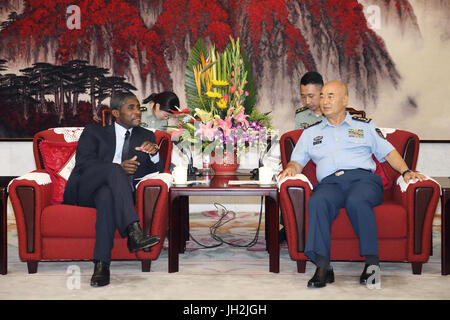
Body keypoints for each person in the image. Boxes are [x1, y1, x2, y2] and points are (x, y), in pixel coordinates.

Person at [279, 80, 426, 288]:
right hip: (330, 183)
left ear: (345, 99)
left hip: (363, 180)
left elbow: (389, 152)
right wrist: (292, 168)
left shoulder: (364, 127)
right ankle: (323, 267)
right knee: (317, 202)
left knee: (356, 201)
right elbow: (297, 161)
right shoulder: (311, 133)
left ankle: (372, 265)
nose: (324, 101)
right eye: (322, 96)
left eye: (331, 96)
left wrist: (406, 171)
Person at [63, 91, 163, 287]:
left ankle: (101, 265)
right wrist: (117, 168)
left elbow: (156, 174)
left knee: (107, 197)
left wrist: (154, 155)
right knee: (114, 170)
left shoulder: (146, 136)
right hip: (87, 190)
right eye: (131, 108)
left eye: (139, 108)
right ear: (116, 113)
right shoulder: (94, 132)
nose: (138, 113)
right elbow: (84, 164)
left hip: (119, 196)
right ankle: (134, 231)